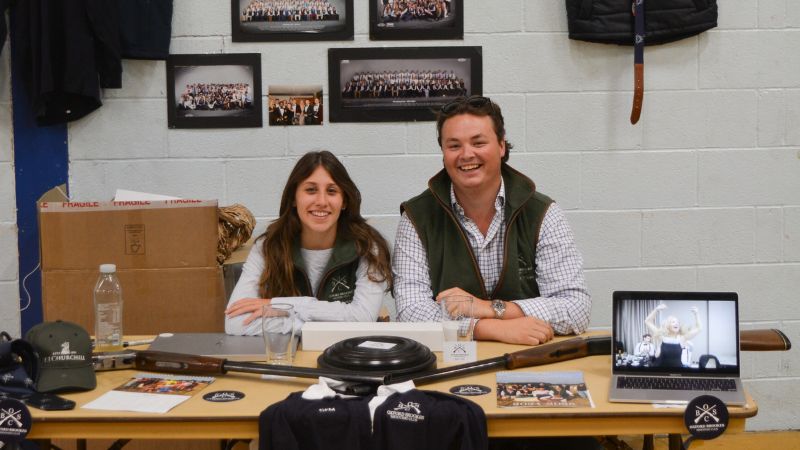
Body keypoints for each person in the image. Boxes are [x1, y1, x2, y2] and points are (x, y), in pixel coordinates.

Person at [393, 95, 591, 346]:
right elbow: (411, 313)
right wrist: (489, 328)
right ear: (443, 153)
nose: (466, 154)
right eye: (454, 146)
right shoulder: (417, 217)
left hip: (530, 360)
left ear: (501, 145)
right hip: (449, 362)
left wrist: (490, 308)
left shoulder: (542, 213)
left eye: (478, 142)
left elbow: (576, 309)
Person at [225, 151, 393, 335]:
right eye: (311, 190)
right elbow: (236, 322)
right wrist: (314, 324)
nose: (321, 201)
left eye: (331, 191)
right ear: (294, 199)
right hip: (289, 357)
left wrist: (282, 307)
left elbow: (362, 318)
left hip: (346, 356)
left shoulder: (368, 247)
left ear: (344, 201)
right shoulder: (268, 246)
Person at [644, 303, 701, 367]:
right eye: (673, 322)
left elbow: (698, 328)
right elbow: (647, 321)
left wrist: (696, 314)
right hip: (661, 371)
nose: (676, 323)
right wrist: (656, 309)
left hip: (677, 372)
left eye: (677, 322)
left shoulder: (682, 338)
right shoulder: (662, 337)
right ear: (668, 325)